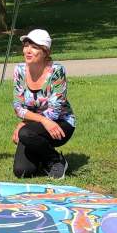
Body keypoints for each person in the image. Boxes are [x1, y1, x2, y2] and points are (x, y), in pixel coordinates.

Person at [10, 28, 75, 179]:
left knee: (25, 133)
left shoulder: (57, 71)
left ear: (45, 52)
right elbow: (18, 108)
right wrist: (31, 121)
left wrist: (25, 124)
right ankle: (43, 155)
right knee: (22, 171)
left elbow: (55, 111)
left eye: (34, 47)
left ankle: (56, 160)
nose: (28, 50)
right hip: (36, 123)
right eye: (26, 45)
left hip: (60, 122)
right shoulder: (19, 70)